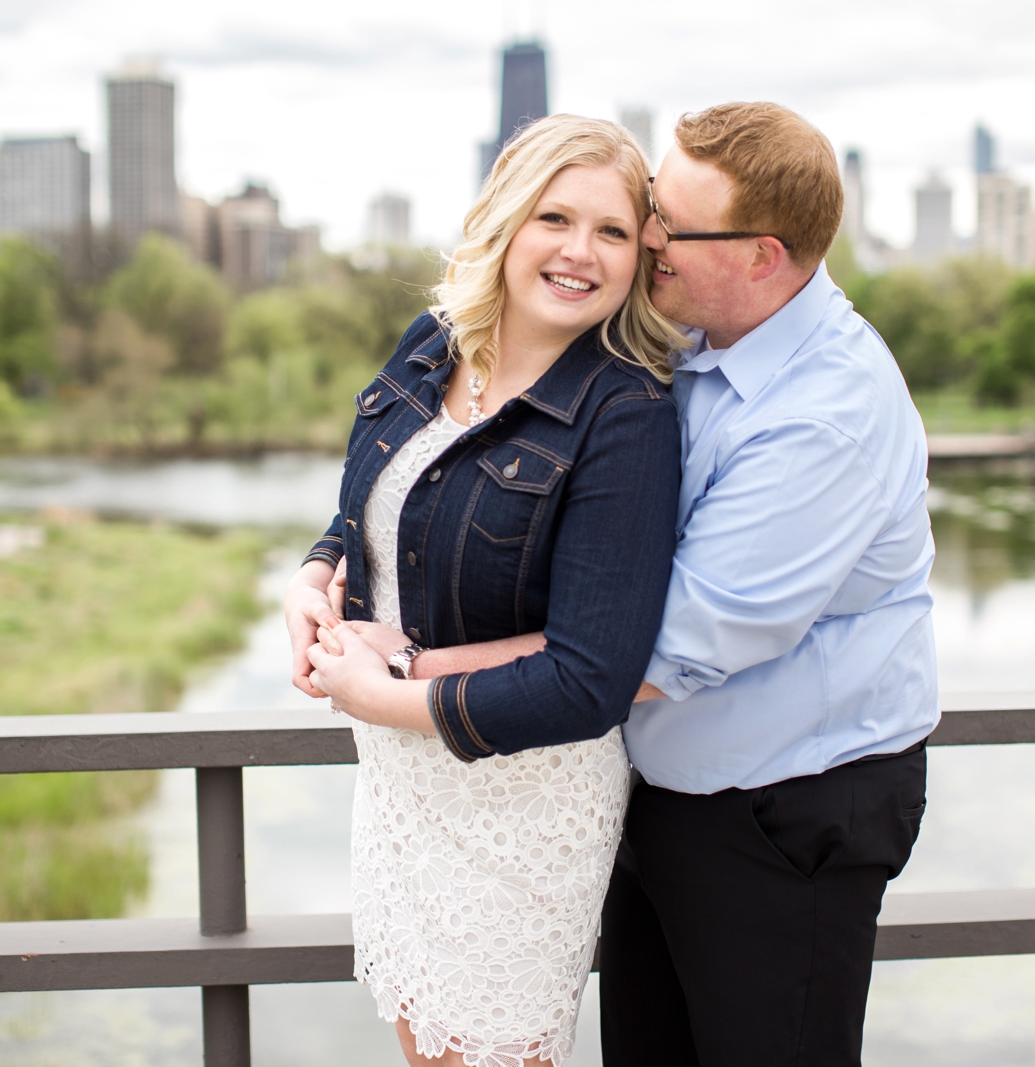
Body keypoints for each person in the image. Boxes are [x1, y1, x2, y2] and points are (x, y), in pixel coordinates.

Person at [312, 101, 938, 1066]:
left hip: (786, 808)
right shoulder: (682, 336)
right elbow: (409, 481)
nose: (643, 240)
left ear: (761, 255)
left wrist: (403, 672)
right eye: (649, 208)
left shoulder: (825, 416)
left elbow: (645, 652)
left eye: (661, 225)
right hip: (654, 789)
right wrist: (326, 568)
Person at [282, 114, 684, 1067]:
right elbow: (372, 508)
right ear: (505, 220)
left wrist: (387, 691)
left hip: (521, 804)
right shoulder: (433, 342)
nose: (580, 252)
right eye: (555, 217)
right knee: (428, 1045)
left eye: (613, 231)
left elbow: (590, 678)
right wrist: (314, 572)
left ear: (639, 255)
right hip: (399, 789)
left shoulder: (625, 413)